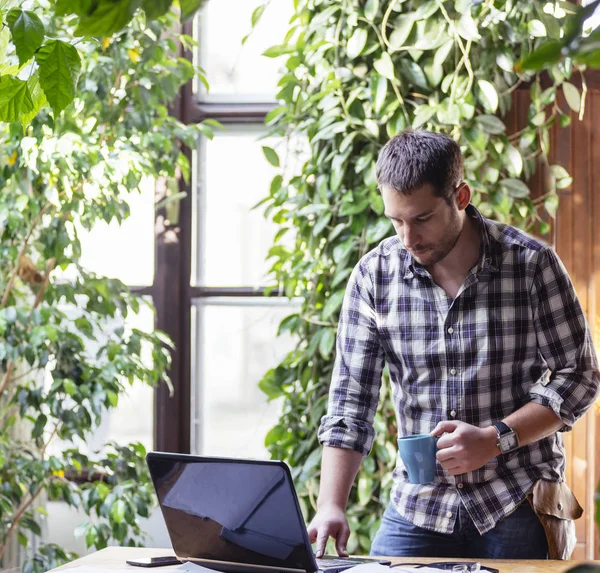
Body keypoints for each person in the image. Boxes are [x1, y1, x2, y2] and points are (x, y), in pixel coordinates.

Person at [307, 129, 600, 559]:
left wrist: (494, 438)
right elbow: (350, 403)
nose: (408, 238)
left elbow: (581, 377)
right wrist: (330, 504)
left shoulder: (531, 266)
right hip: (418, 507)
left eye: (422, 218)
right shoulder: (374, 277)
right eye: (396, 220)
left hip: (518, 500)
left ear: (460, 196)